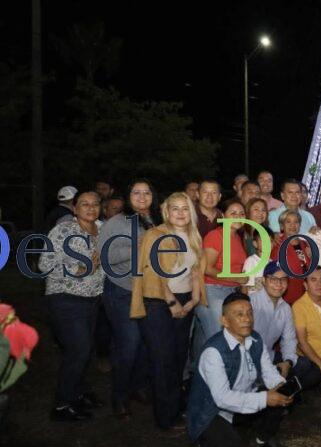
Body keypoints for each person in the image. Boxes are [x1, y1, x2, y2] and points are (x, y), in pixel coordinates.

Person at [187, 292, 294, 447]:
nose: (247, 319)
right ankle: (204, 442)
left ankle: (263, 438)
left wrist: (280, 385)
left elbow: (268, 371)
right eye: (239, 314)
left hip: (244, 397)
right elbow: (222, 398)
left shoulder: (255, 339)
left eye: (250, 313)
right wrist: (264, 398)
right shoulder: (214, 352)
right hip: (213, 410)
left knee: (280, 395)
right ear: (225, 321)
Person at [130, 192, 207, 430]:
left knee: (178, 359)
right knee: (163, 361)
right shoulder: (156, 234)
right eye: (175, 208)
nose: (181, 213)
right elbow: (153, 272)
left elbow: (195, 271)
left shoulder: (193, 235)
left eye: (185, 208)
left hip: (185, 300)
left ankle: (175, 407)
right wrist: (172, 302)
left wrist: (194, 299)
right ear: (166, 211)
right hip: (158, 302)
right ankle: (166, 418)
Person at [40, 191, 105, 421]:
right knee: (79, 349)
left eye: (95, 204)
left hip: (93, 299)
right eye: (84, 204)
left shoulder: (102, 229)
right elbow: (44, 264)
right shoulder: (63, 230)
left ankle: (79, 393)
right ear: (74, 208)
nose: (90, 208)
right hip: (65, 298)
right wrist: (78, 271)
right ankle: (61, 405)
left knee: (85, 351)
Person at [98, 179, 160, 419]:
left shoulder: (156, 221)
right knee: (129, 345)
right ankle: (119, 396)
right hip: (122, 291)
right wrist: (138, 246)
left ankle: (137, 387)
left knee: (145, 345)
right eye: (136, 192)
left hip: (149, 292)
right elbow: (106, 257)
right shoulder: (115, 222)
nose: (142, 197)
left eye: (147, 192)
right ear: (128, 196)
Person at [194, 199, 249, 358]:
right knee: (219, 340)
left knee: (204, 340)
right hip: (213, 291)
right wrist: (237, 278)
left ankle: (197, 376)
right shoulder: (215, 236)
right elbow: (207, 268)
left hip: (230, 293)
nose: (238, 216)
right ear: (223, 215)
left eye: (242, 213)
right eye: (233, 213)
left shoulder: (237, 237)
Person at [248, 262, 298, 378]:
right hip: (248, 361)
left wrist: (288, 362)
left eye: (283, 280)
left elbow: (289, 340)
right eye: (273, 279)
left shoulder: (286, 308)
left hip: (269, 357)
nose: (279, 284)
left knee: (304, 365)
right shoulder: (251, 303)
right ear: (264, 281)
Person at [269, 210, 313, 304]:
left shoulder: (305, 244)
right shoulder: (277, 245)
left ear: (300, 225)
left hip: (306, 297)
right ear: (282, 226)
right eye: (288, 222)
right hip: (286, 298)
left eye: (296, 222)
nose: (292, 225)